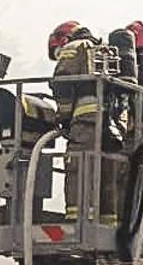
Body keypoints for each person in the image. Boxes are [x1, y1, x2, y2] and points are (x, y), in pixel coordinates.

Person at [48, 20, 125, 226]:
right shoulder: (105, 51)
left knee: (78, 167)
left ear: (63, 39)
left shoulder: (72, 48)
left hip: (85, 121)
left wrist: (63, 117)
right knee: (106, 174)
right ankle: (108, 224)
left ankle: (77, 221)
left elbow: (62, 84)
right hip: (112, 126)